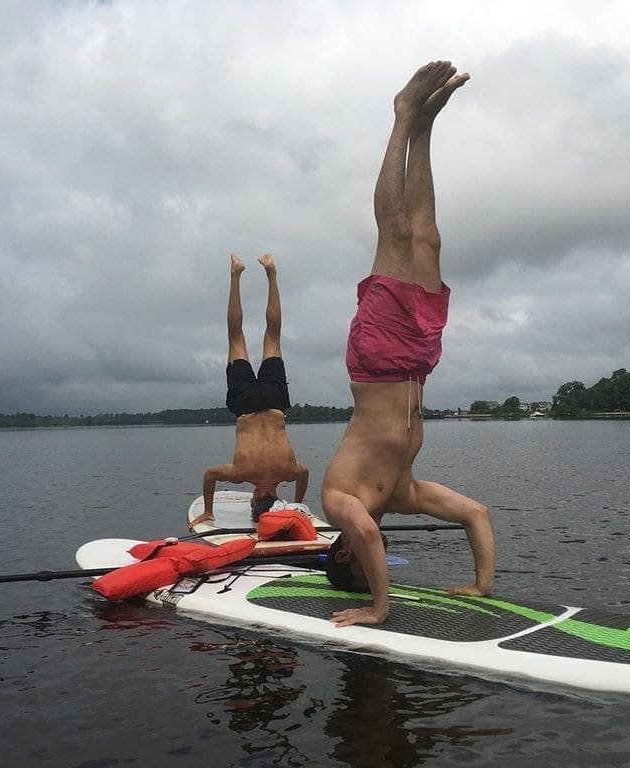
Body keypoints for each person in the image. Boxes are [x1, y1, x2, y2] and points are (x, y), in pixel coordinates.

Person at [320, 61, 496, 627]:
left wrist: (377, 608)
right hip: (419, 362)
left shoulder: (339, 501)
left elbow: (367, 532)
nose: (366, 549)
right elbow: (477, 514)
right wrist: (482, 586)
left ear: (343, 553)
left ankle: (401, 115)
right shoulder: (401, 492)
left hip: (377, 359)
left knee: (394, 234)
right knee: (427, 236)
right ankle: (424, 130)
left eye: (361, 563)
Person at [190, 253, 310, 527]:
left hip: (274, 403)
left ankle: (271, 272)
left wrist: (299, 502)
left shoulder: (291, 471)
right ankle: (236, 274)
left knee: (273, 335)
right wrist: (208, 510)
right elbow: (209, 475)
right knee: (236, 336)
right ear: (254, 500)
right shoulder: (240, 473)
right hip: (245, 405)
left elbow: (305, 475)